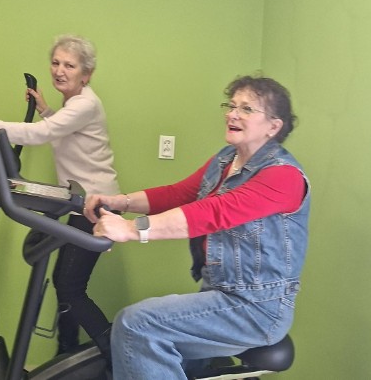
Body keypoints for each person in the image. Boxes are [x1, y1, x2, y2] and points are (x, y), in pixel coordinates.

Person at [85, 75, 310, 379]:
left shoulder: (284, 177)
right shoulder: (226, 159)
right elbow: (179, 194)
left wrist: (130, 229)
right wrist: (118, 201)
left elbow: (215, 213)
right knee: (151, 338)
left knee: (136, 325)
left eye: (246, 109)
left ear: (273, 126)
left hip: (257, 309)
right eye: (231, 106)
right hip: (219, 293)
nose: (232, 114)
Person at [0, 34, 119, 360]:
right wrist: (45, 109)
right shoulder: (76, 103)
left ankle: (117, 355)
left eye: (70, 65)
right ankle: (66, 355)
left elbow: (42, 134)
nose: (60, 70)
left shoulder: (85, 104)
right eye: (56, 62)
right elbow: (63, 130)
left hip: (96, 207)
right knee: (66, 285)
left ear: (86, 74)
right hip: (82, 203)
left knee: (69, 287)